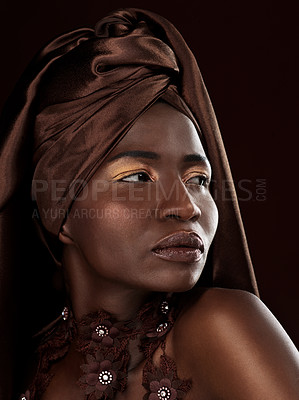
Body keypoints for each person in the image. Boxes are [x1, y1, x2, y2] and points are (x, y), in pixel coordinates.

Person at [0, 7, 298, 400]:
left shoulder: (222, 328)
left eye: (199, 180)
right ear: (59, 210)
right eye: (139, 177)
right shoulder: (27, 362)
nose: (187, 207)